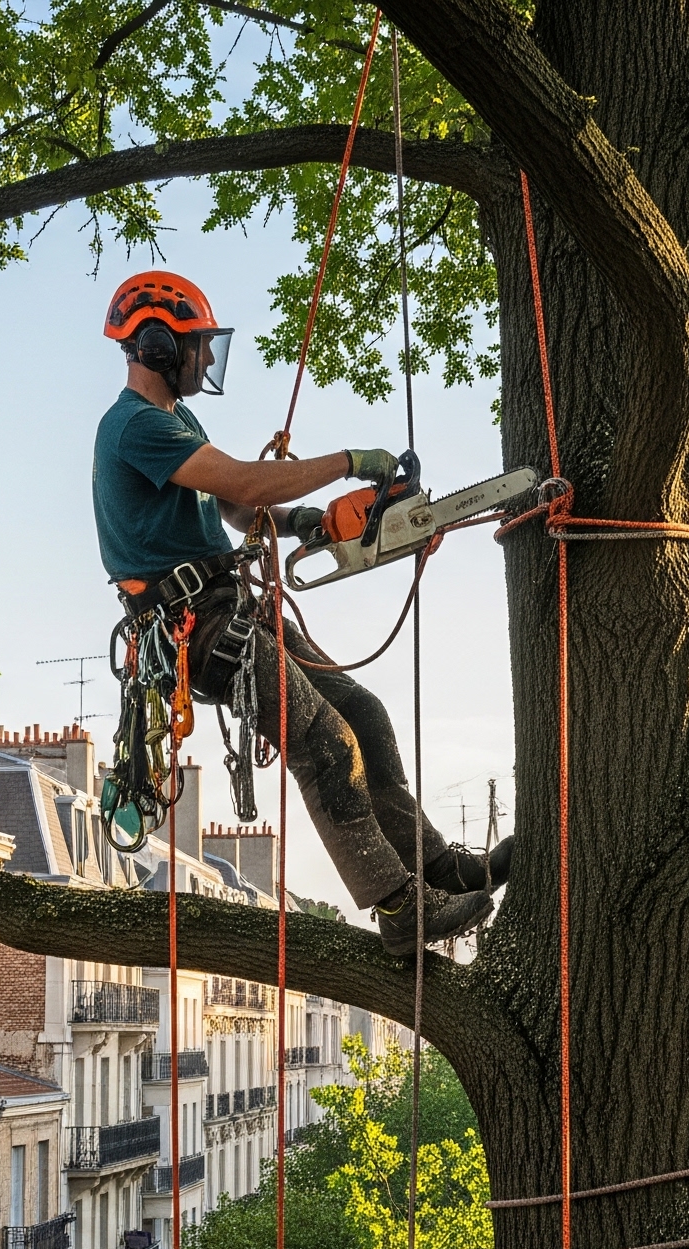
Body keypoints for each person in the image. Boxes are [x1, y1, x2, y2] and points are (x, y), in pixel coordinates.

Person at [93, 270, 506, 953]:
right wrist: (349, 461)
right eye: (196, 346)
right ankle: (399, 906)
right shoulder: (134, 426)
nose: (204, 360)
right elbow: (246, 480)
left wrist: (307, 520)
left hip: (234, 606)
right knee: (324, 740)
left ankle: (437, 866)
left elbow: (237, 506)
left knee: (362, 713)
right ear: (160, 345)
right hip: (195, 627)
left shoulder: (176, 420)